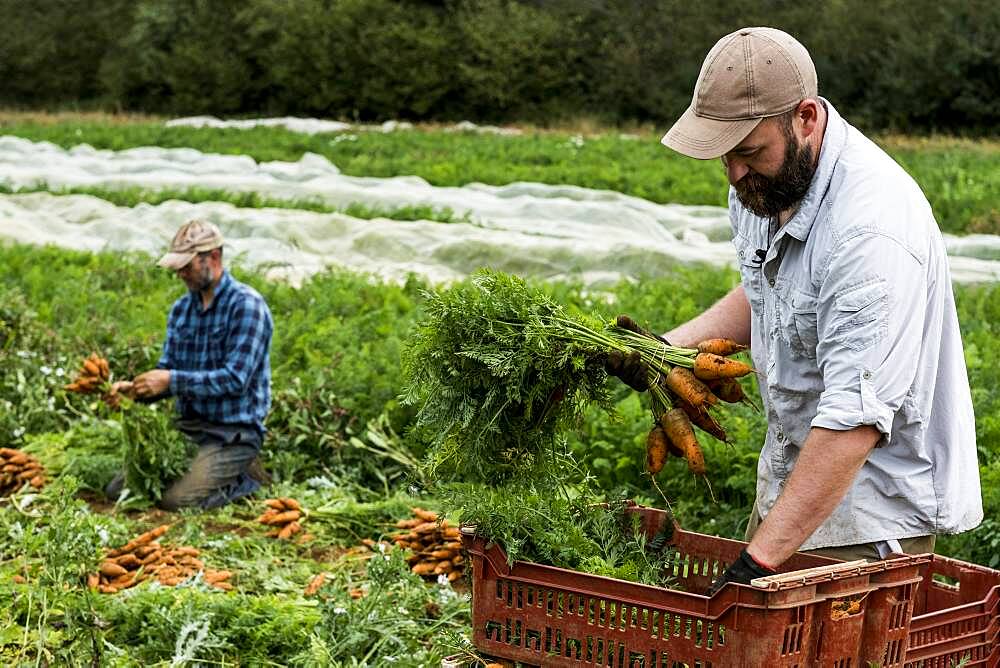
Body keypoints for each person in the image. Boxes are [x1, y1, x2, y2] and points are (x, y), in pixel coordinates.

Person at [608, 27, 982, 593]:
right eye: (725, 156)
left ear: (805, 118)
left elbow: (853, 421)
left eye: (749, 152)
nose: (734, 174)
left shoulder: (871, 232)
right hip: (793, 488)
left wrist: (758, 563)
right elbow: (767, 290)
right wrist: (663, 352)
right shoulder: (769, 185)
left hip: (870, 518)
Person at [106, 219, 274, 510]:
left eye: (187, 266)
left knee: (177, 501)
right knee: (121, 490)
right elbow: (167, 369)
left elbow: (236, 380)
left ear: (214, 257)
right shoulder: (182, 310)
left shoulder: (247, 306)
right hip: (188, 429)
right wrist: (136, 391)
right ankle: (208, 472)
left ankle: (247, 479)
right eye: (178, 267)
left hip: (233, 434)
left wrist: (171, 380)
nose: (181, 273)